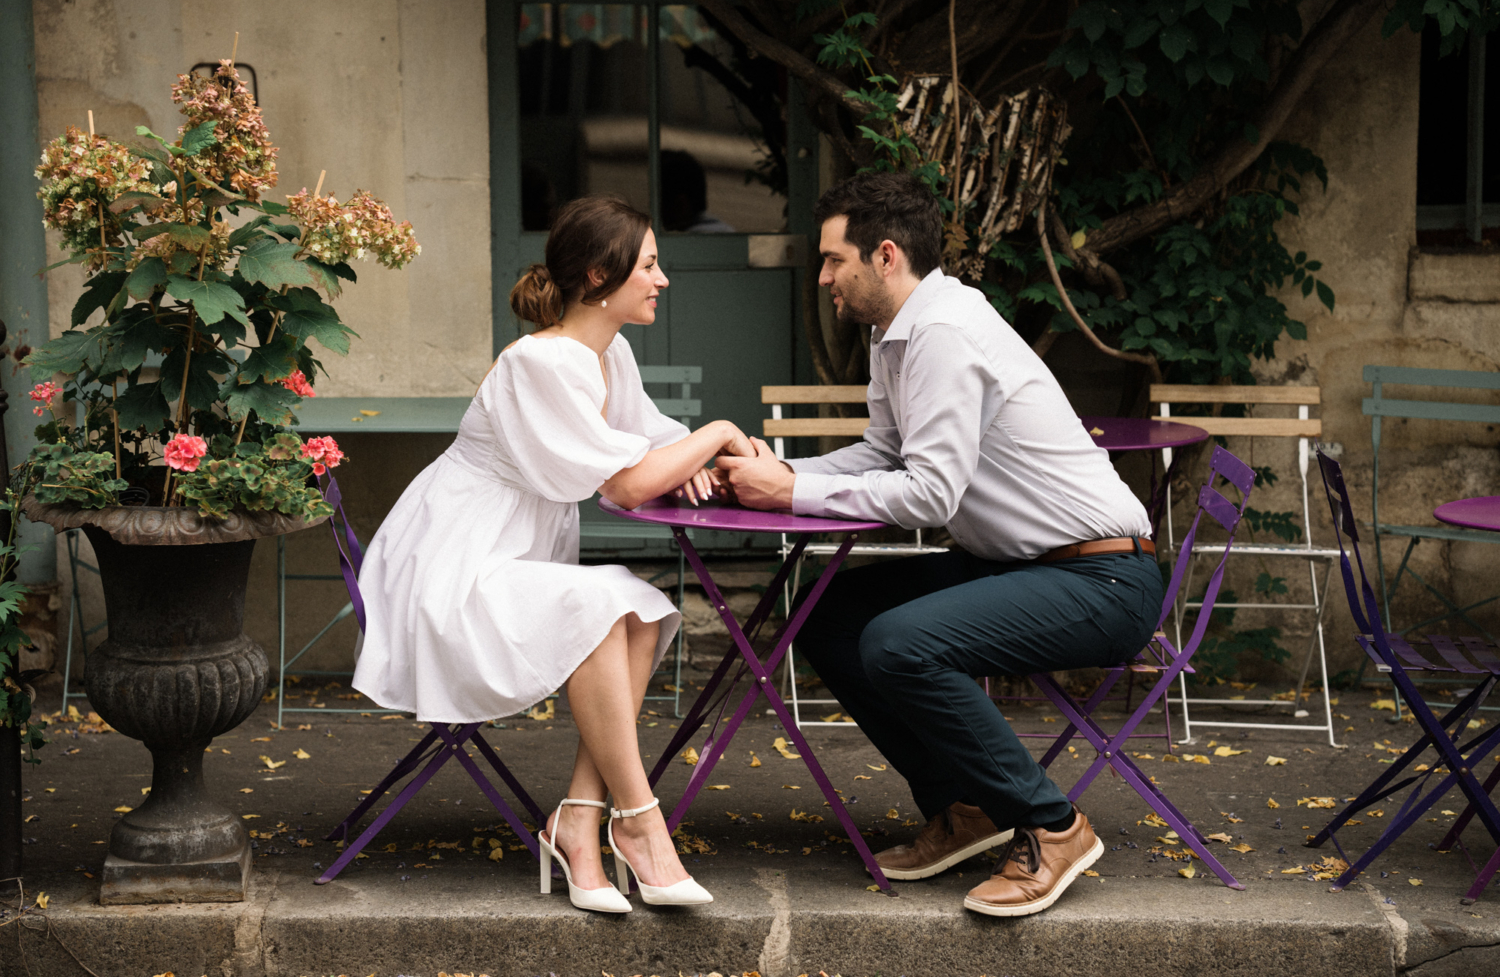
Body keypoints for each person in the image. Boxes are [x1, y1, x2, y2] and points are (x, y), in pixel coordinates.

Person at [716, 172, 1162, 918]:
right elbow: (885, 452)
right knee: (828, 614)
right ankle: (968, 806)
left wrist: (790, 494)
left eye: (834, 260)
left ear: (885, 256)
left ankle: (1052, 827)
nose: (822, 276)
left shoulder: (944, 335)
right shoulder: (897, 336)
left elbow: (929, 494)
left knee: (898, 642)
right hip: (1021, 564)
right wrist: (780, 472)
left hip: (1102, 579)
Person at [352, 195, 754, 914]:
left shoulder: (608, 351)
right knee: (604, 602)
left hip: (510, 560)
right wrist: (719, 429)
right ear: (601, 275)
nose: (663, 280)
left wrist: (696, 447)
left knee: (635, 605)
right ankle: (640, 825)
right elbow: (629, 482)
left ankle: (578, 820)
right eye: (651, 266)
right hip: (453, 569)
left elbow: (650, 438)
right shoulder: (541, 362)